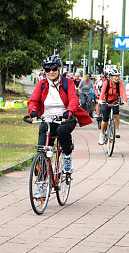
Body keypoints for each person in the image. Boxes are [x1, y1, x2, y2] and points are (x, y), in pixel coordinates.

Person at [27, 55, 92, 196]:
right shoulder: (42, 84)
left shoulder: (67, 82)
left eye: (54, 68)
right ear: (44, 71)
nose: (51, 72)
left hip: (65, 118)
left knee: (62, 131)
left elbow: (73, 98)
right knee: (42, 150)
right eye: (47, 69)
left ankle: (67, 157)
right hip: (48, 119)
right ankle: (42, 185)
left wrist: (69, 111)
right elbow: (33, 100)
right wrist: (33, 111)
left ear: (59, 68)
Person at [98, 68, 128, 144]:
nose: (117, 78)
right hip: (105, 101)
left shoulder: (119, 84)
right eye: (115, 76)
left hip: (114, 101)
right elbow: (102, 92)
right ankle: (101, 134)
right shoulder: (106, 83)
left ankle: (117, 130)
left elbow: (123, 92)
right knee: (105, 119)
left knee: (116, 114)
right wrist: (101, 100)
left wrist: (125, 101)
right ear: (111, 76)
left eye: (118, 76)